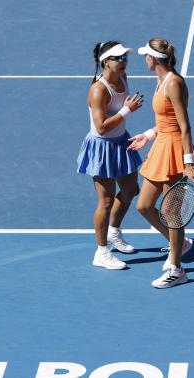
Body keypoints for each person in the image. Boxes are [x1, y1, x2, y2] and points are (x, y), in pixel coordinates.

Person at [129, 38, 194, 288]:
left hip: (175, 151)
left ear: (153, 58)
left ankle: (176, 268)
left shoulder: (174, 83)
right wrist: (148, 135)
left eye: (145, 56)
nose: (144, 60)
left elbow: (184, 126)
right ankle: (179, 244)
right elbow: (165, 119)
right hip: (161, 145)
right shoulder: (160, 80)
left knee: (172, 212)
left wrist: (189, 162)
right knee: (144, 205)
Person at [77, 41, 145, 270]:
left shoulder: (123, 79)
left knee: (130, 190)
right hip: (103, 147)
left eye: (125, 57)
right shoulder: (98, 89)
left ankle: (113, 232)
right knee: (105, 201)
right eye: (118, 58)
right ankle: (101, 252)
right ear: (105, 61)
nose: (124, 61)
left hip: (121, 142)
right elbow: (101, 127)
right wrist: (127, 110)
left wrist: (125, 111)